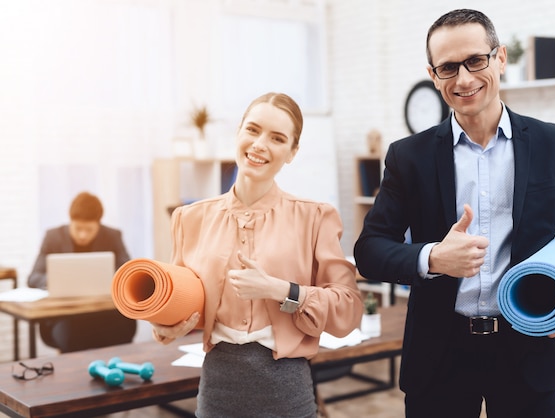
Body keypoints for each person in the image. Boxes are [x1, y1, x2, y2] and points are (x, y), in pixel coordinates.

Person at [354, 9, 555, 418]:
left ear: (499, 59)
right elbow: (369, 250)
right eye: (448, 67)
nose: (463, 79)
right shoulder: (408, 157)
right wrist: (432, 258)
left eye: (475, 61)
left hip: (528, 350)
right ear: (433, 75)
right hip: (438, 357)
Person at [151, 92, 363, 418]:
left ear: (292, 152)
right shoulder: (189, 219)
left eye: (277, 138)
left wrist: (281, 290)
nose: (260, 144)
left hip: (287, 393)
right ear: (238, 133)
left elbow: (348, 310)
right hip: (217, 391)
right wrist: (168, 327)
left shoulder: (316, 218)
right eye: (253, 130)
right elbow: (177, 305)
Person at [28, 191, 137, 352]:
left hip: (105, 314)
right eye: (78, 228)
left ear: (99, 224)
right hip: (65, 317)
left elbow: (129, 274)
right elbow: (33, 278)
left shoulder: (112, 236)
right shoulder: (53, 237)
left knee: (120, 330)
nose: (83, 235)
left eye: (89, 229)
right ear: (70, 221)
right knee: (72, 335)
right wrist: (55, 280)